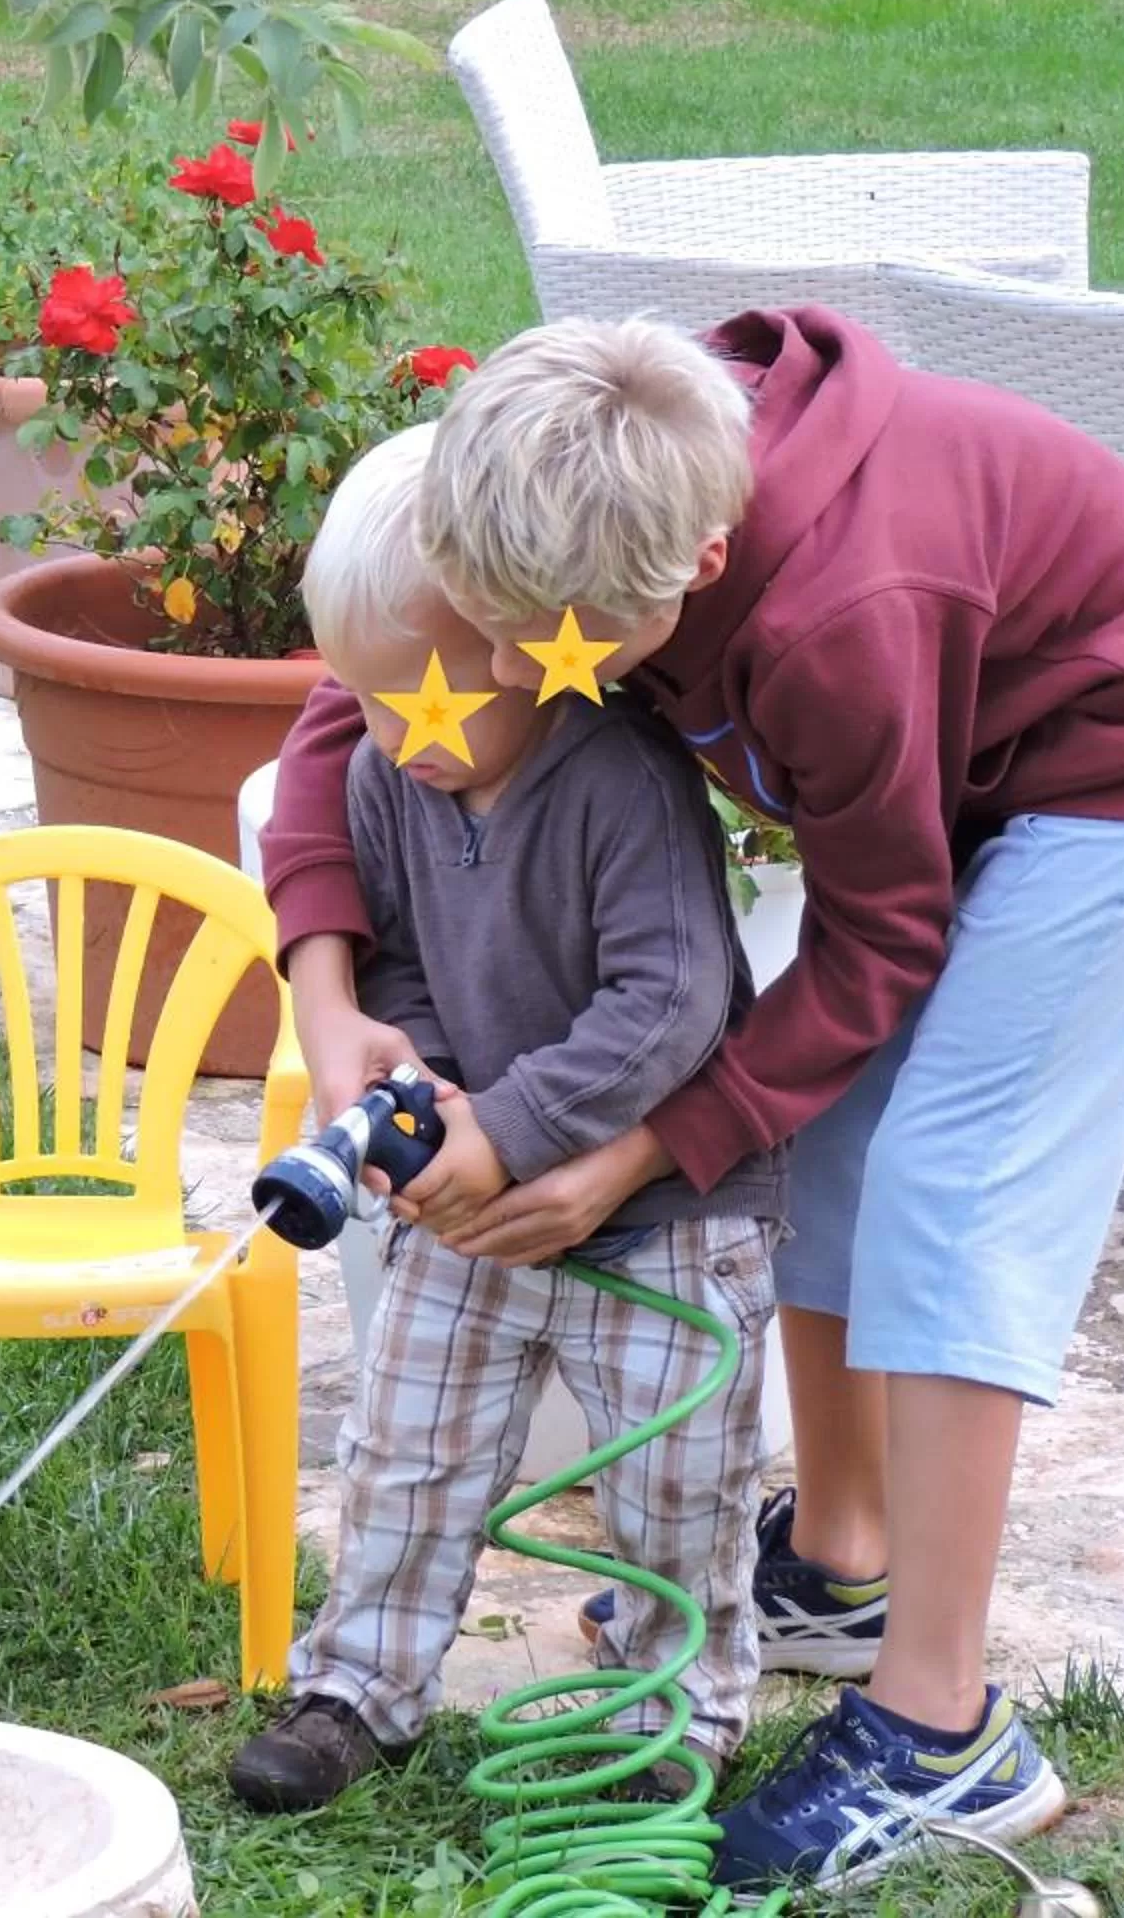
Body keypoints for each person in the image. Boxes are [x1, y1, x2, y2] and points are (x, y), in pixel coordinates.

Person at [256, 311, 1124, 1895]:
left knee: (949, 1181)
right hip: (942, 747)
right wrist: (327, 991)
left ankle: (942, 1725)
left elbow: (881, 933)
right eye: (492, 626)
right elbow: (367, 690)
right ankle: (844, 1560)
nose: (506, 676)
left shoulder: (831, 621)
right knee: (833, 1132)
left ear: (701, 564)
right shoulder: (561, 484)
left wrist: (641, 1151)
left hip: (1118, 767)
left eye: (541, 645)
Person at [228, 423, 784, 1817]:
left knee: (678, 1482)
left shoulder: (622, 780)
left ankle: (675, 1708)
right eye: (361, 698)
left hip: (665, 1215)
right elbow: (398, 964)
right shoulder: (385, 773)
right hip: (470, 1206)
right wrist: (429, 1096)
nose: (381, 733)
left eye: (411, 697)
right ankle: (356, 1689)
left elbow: (670, 1001)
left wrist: (517, 1122)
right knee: (405, 1454)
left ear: (528, 648)